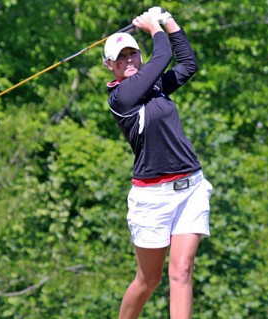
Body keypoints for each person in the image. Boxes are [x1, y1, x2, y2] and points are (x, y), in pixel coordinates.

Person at [102, 7, 213, 319]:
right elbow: (162, 56)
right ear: (110, 66)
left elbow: (188, 64)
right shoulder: (122, 98)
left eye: (133, 55)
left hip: (190, 187)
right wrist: (154, 27)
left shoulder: (156, 87)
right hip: (152, 198)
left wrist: (168, 20)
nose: (129, 62)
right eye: (120, 58)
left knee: (181, 272)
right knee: (148, 280)